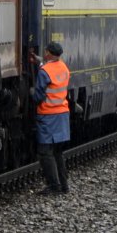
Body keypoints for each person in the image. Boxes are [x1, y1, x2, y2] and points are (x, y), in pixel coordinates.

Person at [32, 41, 70, 195]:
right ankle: (64, 185)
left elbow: (39, 95)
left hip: (48, 116)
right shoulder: (64, 67)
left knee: (45, 152)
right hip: (62, 114)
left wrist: (31, 94)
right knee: (57, 152)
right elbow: (51, 69)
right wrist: (39, 60)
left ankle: (54, 186)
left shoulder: (44, 71)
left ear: (48, 53)